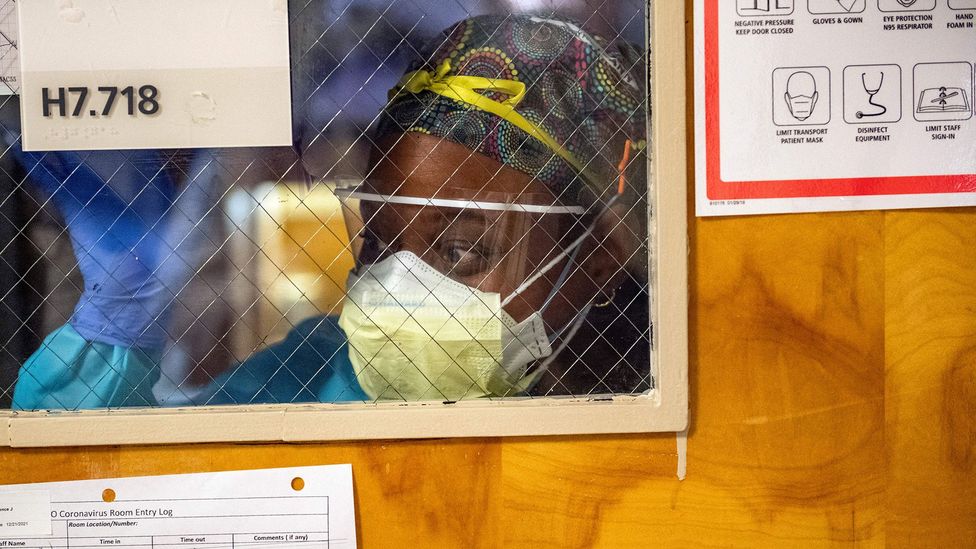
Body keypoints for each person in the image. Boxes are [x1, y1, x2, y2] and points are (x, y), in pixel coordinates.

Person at [11, 14, 650, 410]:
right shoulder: (316, 381)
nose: (402, 293)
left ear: (598, 258)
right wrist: (115, 327)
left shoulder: (658, 410)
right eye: (377, 244)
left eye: (460, 250)